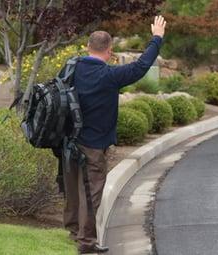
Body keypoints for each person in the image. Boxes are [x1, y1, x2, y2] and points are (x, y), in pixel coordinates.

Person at [62, 16, 166, 254]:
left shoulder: (71, 67)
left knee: (72, 190)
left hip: (68, 141)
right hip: (93, 145)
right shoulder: (109, 76)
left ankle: (72, 231)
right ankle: (86, 243)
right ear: (109, 51)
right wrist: (156, 38)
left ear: (88, 47)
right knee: (90, 194)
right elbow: (141, 66)